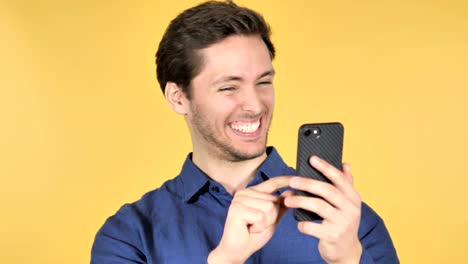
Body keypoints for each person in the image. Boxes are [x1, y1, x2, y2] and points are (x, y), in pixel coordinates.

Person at [91, 1, 399, 263]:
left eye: (263, 82)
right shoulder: (129, 236)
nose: (254, 105)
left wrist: (348, 259)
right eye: (228, 87)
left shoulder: (350, 223)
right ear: (179, 97)